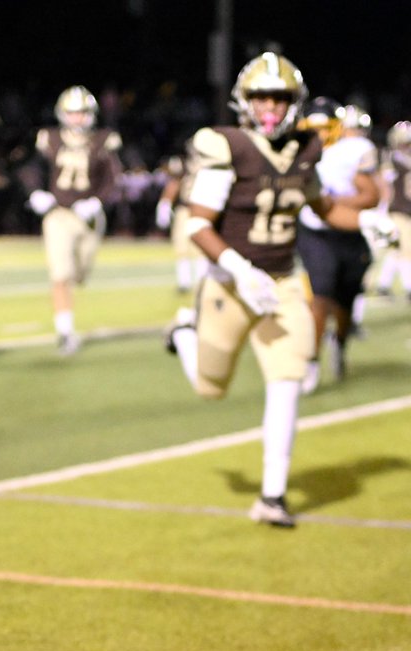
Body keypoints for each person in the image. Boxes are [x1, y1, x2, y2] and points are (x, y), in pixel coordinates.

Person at [164, 53, 396, 528]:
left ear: (295, 103)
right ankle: (185, 332)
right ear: (243, 102)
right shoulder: (225, 146)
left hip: (282, 282)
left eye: (280, 97)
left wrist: (367, 219)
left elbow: (325, 207)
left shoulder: (306, 148)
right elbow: (197, 225)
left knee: (288, 378)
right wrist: (237, 266)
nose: (270, 107)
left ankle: (273, 496)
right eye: (260, 97)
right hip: (231, 283)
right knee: (210, 388)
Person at [27, 85, 123, 354]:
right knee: (61, 275)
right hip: (58, 215)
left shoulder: (103, 139)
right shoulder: (50, 138)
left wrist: (98, 201)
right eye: (71, 113)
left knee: (79, 275)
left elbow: (113, 177)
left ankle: (66, 327)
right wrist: (36, 192)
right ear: (62, 114)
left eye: (81, 113)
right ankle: (65, 332)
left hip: (89, 218)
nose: (77, 118)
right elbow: (32, 168)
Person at [294, 97, 380, 392]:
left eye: (325, 128)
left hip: (348, 231)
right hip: (315, 232)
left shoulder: (353, 151)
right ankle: (311, 361)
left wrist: (333, 201)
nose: (318, 135)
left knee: (344, 301)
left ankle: (339, 342)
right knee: (320, 296)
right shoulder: (294, 150)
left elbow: (371, 196)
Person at [155, 151, 207, 293]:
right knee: (181, 245)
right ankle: (184, 281)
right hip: (185, 208)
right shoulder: (185, 165)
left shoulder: (211, 164)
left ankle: (201, 280)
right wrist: (165, 203)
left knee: (201, 246)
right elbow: (175, 183)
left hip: (204, 209)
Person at [373, 120, 411, 300]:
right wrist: (382, 210)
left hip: (405, 210)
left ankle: (383, 285)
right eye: (405, 142)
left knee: (396, 250)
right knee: (405, 249)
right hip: (397, 210)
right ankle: (408, 286)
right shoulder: (392, 159)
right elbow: (384, 186)